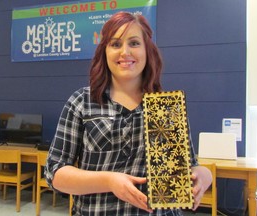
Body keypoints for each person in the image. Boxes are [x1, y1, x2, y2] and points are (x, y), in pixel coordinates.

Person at [45, 11, 212, 216]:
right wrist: (109, 181)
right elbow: (55, 173)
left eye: (134, 43)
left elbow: (191, 166)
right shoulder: (82, 102)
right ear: (104, 52)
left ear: (147, 50)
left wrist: (204, 175)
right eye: (115, 44)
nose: (125, 52)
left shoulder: (165, 105)